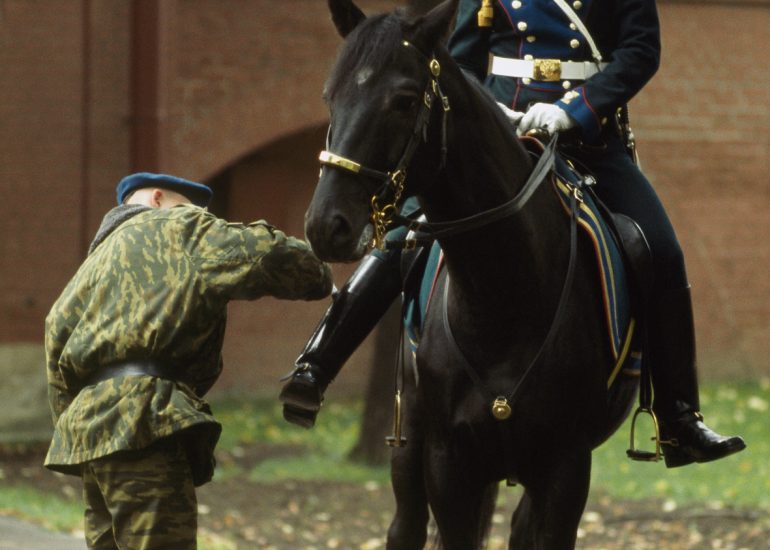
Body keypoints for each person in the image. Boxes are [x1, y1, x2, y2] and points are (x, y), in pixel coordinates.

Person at [280, 0, 745, 468]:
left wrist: (574, 109)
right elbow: (455, 61)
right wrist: (488, 108)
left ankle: (678, 417)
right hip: (494, 139)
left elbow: (641, 51)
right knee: (405, 234)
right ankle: (316, 365)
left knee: (660, 249)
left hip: (589, 141)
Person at [44, 172, 333, 549]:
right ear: (159, 198)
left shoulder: (90, 268)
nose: (200, 216)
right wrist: (321, 278)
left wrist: (78, 434)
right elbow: (265, 253)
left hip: (90, 439)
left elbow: (55, 346)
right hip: (145, 420)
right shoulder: (181, 226)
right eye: (192, 207)